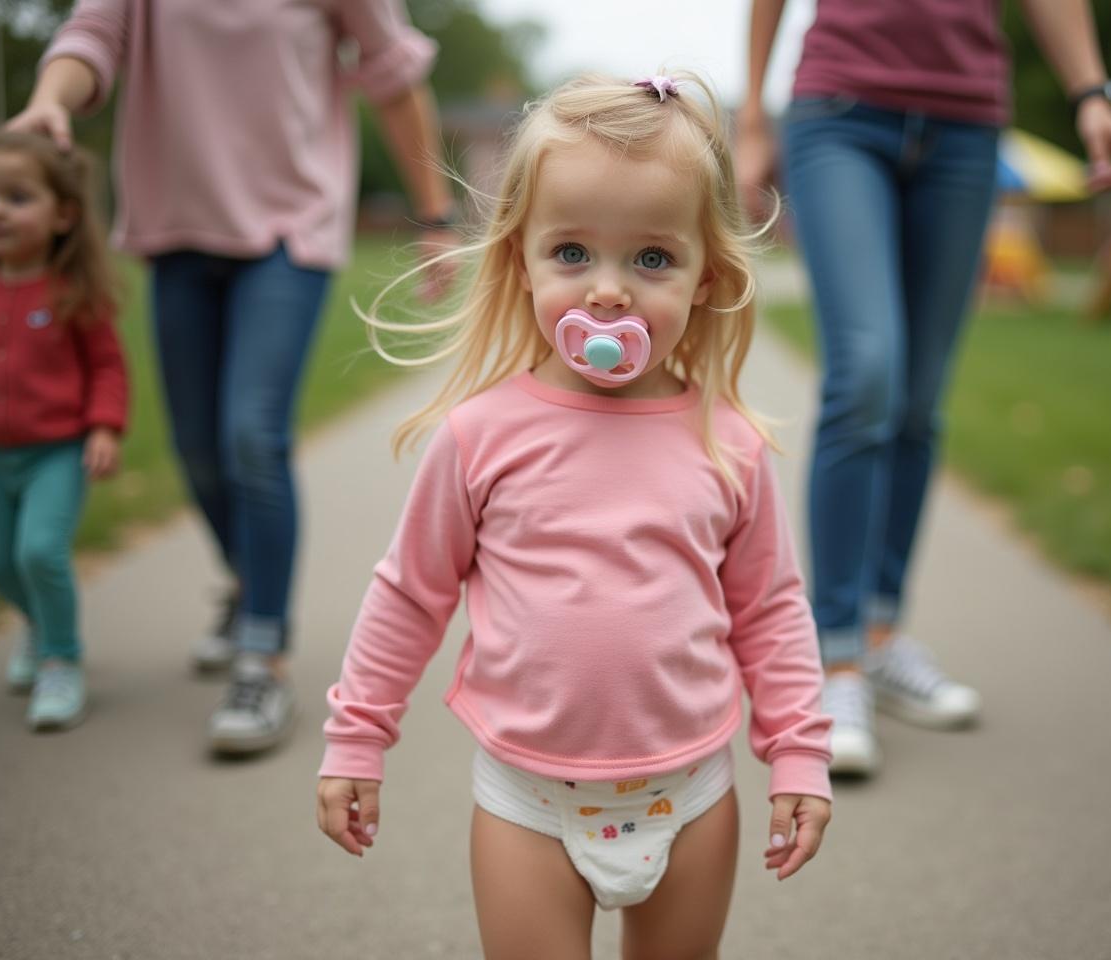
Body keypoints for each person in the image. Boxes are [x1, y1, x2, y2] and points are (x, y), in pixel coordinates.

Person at [316, 73, 833, 958]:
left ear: (707, 277)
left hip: (692, 793)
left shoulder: (729, 444)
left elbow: (772, 608)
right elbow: (409, 594)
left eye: (652, 259)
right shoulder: (481, 437)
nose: (607, 294)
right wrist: (356, 738)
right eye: (572, 254)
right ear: (520, 258)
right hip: (529, 803)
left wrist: (799, 751)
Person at [8, 0, 460, 754]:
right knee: (196, 448)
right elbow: (94, 37)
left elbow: (395, 76)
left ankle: (262, 656)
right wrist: (49, 102)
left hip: (289, 225)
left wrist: (435, 219)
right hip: (178, 225)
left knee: (252, 434)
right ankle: (249, 583)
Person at [737, 0, 1111, 775]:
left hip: (966, 123)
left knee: (918, 399)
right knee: (868, 371)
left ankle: (882, 635)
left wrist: (1091, 91)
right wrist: (753, 115)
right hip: (841, 108)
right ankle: (837, 656)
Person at [0, 129, 128, 731]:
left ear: (64, 215)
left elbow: (107, 368)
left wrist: (104, 427)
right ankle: (44, 626)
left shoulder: (75, 294)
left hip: (57, 451)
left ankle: (61, 660)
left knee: (39, 551)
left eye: (17, 197)